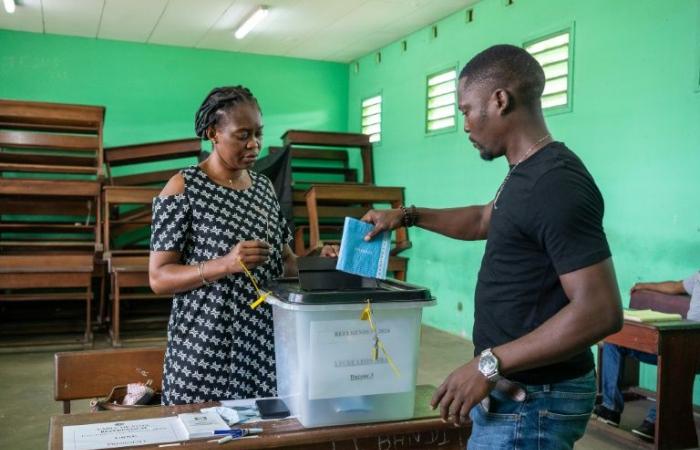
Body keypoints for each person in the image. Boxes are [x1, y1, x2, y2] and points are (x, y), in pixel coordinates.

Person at [361, 45, 623, 449]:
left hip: (536, 400)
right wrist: (407, 215)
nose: (464, 124)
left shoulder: (556, 183)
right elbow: (486, 219)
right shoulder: (525, 171)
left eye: (466, 109)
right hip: (516, 390)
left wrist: (487, 365)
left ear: (500, 100)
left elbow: (600, 311)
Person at [149, 86, 336, 405]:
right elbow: (159, 278)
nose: (254, 144)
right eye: (242, 135)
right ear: (213, 133)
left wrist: (321, 258)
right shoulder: (184, 186)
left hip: (263, 349)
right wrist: (225, 264)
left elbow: (285, 262)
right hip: (203, 352)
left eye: (259, 134)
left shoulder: (263, 187)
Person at [593, 271, 700, 441]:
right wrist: (645, 285)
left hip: (690, 348)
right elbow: (674, 286)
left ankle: (657, 421)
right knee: (615, 341)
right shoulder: (698, 276)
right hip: (684, 339)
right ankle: (610, 408)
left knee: (677, 355)